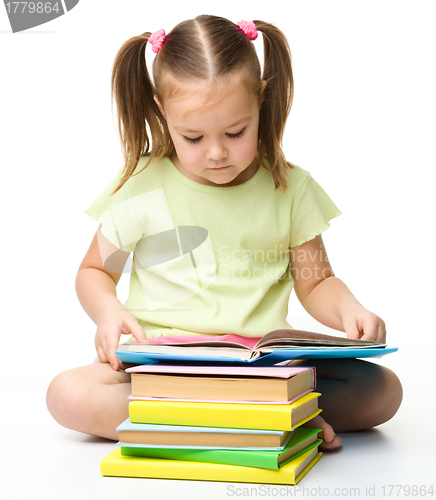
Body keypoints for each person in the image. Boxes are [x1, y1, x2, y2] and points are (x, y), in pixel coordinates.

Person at [46, 15, 402, 450]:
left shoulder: (289, 188)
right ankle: (271, 422)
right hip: (166, 362)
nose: (216, 153)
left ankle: (206, 421)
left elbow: (317, 280)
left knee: (383, 391)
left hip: (267, 366)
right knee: (66, 394)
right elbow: (94, 271)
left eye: (236, 132)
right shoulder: (142, 186)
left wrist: (349, 309)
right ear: (162, 111)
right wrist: (107, 312)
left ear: (261, 101)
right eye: (192, 137)